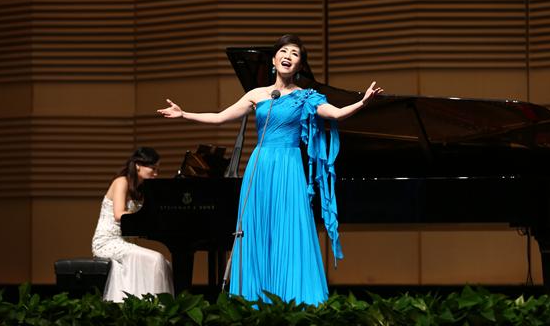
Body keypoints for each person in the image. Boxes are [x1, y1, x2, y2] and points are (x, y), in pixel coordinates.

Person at [157, 34, 382, 305]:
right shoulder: (257, 94)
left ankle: (291, 297)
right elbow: (220, 117)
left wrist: (362, 103)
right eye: (283, 51)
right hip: (260, 166)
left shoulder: (306, 97)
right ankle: (254, 297)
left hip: (289, 167)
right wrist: (184, 114)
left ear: (300, 65)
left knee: (289, 228)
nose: (288, 56)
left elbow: (335, 114)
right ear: (274, 60)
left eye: (295, 53)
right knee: (257, 228)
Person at [91, 147, 174, 302]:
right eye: (153, 169)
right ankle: (156, 307)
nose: (156, 174)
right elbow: (119, 215)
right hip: (107, 242)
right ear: (138, 165)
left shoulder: (141, 189)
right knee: (157, 260)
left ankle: (153, 308)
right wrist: (146, 217)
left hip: (125, 243)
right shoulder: (121, 182)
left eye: (158, 170)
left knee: (165, 263)